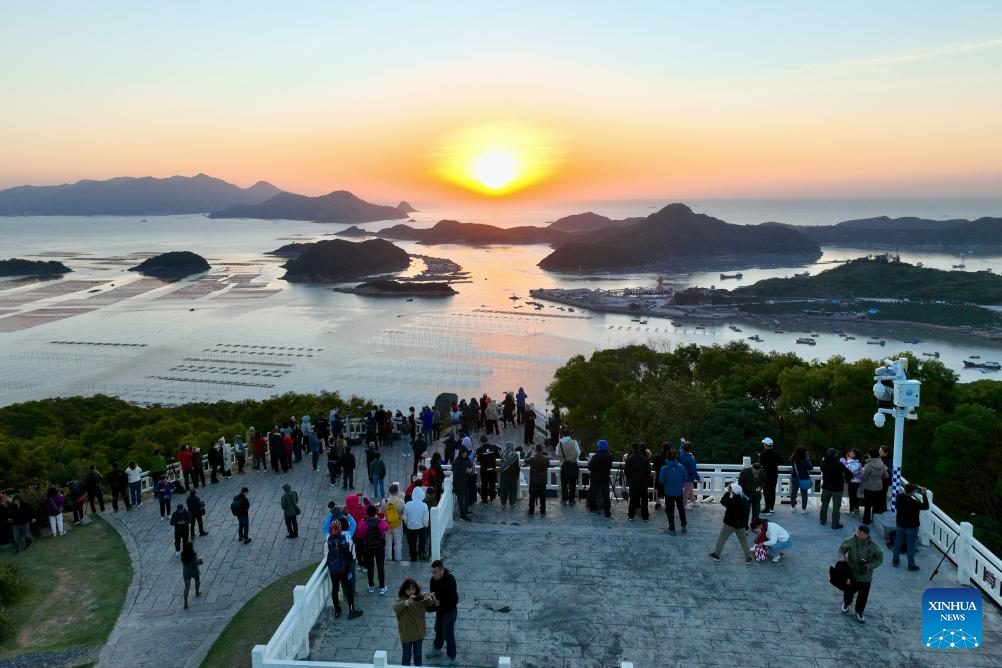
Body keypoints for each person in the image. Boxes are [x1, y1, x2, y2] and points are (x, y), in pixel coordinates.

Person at [838, 525, 884, 623]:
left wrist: (870, 566)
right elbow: (842, 549)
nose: (858, 535)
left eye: (861, 534)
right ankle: (846, 603)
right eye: (857, 532)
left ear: (867, 535)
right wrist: (842, 556)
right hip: (851, 572)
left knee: (863, 595)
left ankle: (859, 611)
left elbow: (880, 559)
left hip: (865, 576)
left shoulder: (873, 546)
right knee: (849, 590)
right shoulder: (851, 541)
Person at [394, 577, 437, 666]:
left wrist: (427, 598)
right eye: (409, 590)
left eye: (413, 589)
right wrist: (407, 602)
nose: (411, 592)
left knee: (418, 654)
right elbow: (395, 607)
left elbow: (430, 604)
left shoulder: (419, 597)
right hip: (406, 633)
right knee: (407, 655)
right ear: (404, 590)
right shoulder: (401, 599)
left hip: (418, 632)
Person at [327, 516, 363, 619]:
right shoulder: (345, 538)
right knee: (349, 589)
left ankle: (337, 610)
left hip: (333, 570)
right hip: (344, 569)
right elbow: (348, 555)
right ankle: (351, 610)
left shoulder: (329, 540)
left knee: (335, 589)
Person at [709, 482, 752, 564]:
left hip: (729, 524)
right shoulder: (745, 499)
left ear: (732, 491)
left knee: (722, 539)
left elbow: (722, 502)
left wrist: (728, 493)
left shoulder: (730, 500)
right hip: (741, 524)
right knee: (743, 541)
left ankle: (716, 554)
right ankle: (748, 557)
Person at [426, 560, 459, 666]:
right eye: (432, 572)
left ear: (441, 570)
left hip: (450, 612)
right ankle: (437, 648)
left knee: (448, 635)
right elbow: (433, 594)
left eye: (435, 572)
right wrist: (431, 600)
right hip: (440, 611)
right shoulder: (433, 580)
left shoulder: (450, 581)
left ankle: (451, 657)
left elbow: (455, 600)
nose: (433, 575)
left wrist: (438, 603)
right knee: (438, 630)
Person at [892, 483, 929, 571]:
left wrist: (915, 487)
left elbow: (908, 491)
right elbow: (926, 506)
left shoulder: (899, 497)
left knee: (898, 542)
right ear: (912, 492)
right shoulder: (914, 503)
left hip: (900, 524)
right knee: (911, 546)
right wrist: (924, 494)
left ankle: (895, 560)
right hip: (912, 527)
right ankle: (911, 565)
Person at [360, 505, 389, 594]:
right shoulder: (380, 522)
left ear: (367, 514)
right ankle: (382, 586)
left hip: (369, 548)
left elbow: (361, 531)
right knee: (380, 566)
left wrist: (362, 521)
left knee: (370, 566)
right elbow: (386, 528)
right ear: (375, 512)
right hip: (380, 547)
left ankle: (371, 585)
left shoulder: (365, 523)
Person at [658, 450, 687, 535]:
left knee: (670, 510)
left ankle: (672, 529)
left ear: (667, 458)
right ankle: (684, 526)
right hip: (679, 491)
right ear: (675, 458)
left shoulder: (664, 468)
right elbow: (685, 478)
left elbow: (661, 481)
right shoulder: (681, 467)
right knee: (681, 508)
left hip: (669, 492)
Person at [819, 448, 848, 529]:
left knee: (824, 505)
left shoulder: (823, 463)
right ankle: (835, 524)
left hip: (826, 487)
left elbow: (822, 469)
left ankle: (822, 520)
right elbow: (849, 473)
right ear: (835, 455)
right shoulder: (840, 464)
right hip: (837, 489)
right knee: (836, 507)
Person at [860, 449, 888, 524]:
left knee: (867, 505)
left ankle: (866, 520)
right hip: (879, 487)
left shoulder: (868, 465)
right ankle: (875, 521)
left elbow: (864, 477)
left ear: (870, 455)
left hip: (869, 487)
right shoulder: (882, 464)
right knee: (876, 505)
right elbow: (886, 476)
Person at [624, 442, 651, 521]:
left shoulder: (629, 460)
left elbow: (626, 472)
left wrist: (631, 478)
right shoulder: (645, 460)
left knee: (632, 500)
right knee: (644, 500)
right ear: (639, 449)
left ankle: (631, 516)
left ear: (632, 449)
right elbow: (648, 472)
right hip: (643, 483)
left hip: (633, 482)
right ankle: (645, 516)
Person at [587, 439, 613, 518]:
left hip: (595, 478)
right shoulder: (610, 456)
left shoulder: (595, 456)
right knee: (606, 496)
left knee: (593, 494)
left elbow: (590, 467)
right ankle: (607, 512)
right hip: (605, 478)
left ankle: (592, 509)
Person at [404, 486, 430, 561]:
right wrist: (426, 525)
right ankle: (421, 553)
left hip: (410, 527)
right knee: (422, 540)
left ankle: (413, 556)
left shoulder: (408, 504)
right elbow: (425, 519)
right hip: (421, 526)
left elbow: (405, 517)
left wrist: (407, 524)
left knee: (411, 542)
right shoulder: (424, 505)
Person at [556, 429, 581, 506]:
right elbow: (579, 453)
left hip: (564, 465)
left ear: (563, 435)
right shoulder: (574, 442)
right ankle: (571, 500)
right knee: (572, 483)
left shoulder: (559, 443)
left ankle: (564, 499)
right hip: (573, 465)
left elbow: (557, 454)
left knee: (564, 484)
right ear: (569, 434)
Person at [524, 443, 549, 517]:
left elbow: (525, 460)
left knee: (532, 495)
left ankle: (531, 511)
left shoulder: (532, 459)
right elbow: (548, 465)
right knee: (543, 495)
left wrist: (529, 451)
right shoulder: (546, 458)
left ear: (535, 450)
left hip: (533, 480)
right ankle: (543, 511)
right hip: (542, 480)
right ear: (542, 450)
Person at [759, 437, 780, 515]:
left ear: (766, 445)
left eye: (764, 444)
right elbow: (779, 461)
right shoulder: (777, 453)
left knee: (766, 492)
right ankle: (771, 508)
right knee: (772, 491)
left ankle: (767, 509)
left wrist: (759, 456)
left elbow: (760, 464)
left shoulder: (763, 454)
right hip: (774, 475)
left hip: (766, 475)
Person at [475, 436, 499, 503]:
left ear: (481, 442)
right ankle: (492, 498)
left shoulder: (479, 450)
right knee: (492, 484)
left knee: (484, 485)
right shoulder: (494, 447)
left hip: (484, 470)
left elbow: (478, 460)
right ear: (487, 440)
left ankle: (484, 500)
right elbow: (498, 455)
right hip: (492, 470)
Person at [788, 447, 813, 512]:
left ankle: (793, 508)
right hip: (804, 478)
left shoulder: (793, 459)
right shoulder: (805, 460)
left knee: (793, 493)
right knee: (804, 494)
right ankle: (803, 509)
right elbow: (810, 468)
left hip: (795, 477)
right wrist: (808, 459)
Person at [451, 448, 473, 521]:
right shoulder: (456, 462)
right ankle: (462, 515)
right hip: (458, 483)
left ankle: (465, 511)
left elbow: (470, 465)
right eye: (463, 453)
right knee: (461, 500)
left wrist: (470, 470)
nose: (465, 454)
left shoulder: (467, 459)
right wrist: (465, 471)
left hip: (465, 482)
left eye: (466, 453)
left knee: (467, 498)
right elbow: (456, 472)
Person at [385, 484, 406, 560]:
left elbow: (383, 513)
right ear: (397, 492)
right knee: (398, 543)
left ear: (389, 491)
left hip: (387, 525)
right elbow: (404, 513)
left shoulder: (384, 501)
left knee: (388, 543)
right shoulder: (401, 502)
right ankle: (398, 558)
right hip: (397, 525)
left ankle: (388, 558)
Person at [679, 440, 701, 509]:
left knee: (689, 489)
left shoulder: (681, 453)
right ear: (690, 449)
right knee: (687, 491)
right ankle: (684, 504)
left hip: (683, 475)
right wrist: (698, 478)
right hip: (689, 477)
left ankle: (693, 501)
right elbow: (693, 470)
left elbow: (681, 448)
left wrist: (682, 442)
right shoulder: (691, 459)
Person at [498, 442, 520, 508]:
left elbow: (502, 465)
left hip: (504, 475)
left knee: (503, 490)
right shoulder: (515, 455)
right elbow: (517, 465)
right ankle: (512, 503)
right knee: (513, 490)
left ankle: (503, 503)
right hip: (513, 476)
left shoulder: (502, 453)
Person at [841, 449, 863, 517]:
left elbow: (850, 471)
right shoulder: (858, 463)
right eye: (851, 453)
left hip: (853, 481)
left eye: (853, 453)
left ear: (855, 455)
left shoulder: (853, 463)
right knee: (854, 496)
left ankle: (851, 511)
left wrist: (846, 462)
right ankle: (856, 510)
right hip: (857, 481)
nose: (850, 454)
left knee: (852, 496)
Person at [180, 542, 202, 609]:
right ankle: (197, 593)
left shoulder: (183, 554)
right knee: (197, 580)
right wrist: (200, 561)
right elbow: (195, 562)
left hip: (186, 572)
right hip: (193, 570)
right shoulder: (193, 554)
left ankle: (185, 603)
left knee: (186, 587)